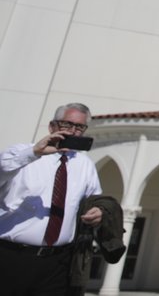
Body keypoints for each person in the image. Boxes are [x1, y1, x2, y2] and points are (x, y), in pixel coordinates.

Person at [0, 103, 103, 296]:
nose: (73, 131)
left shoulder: (85, 165)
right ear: (52, 126)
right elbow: (2, 169)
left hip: (57, 262)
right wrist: (34, 153)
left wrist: (98, 213)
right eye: (67, 124)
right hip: (11, 257)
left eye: (79, 127)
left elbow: (95, 201)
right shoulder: (21, 154)